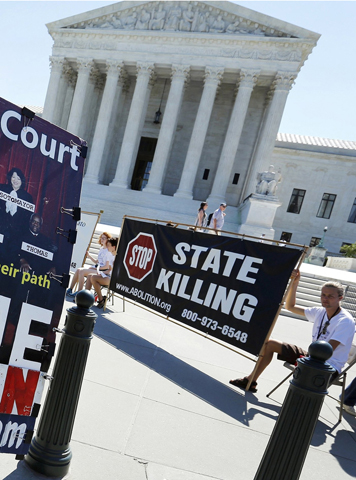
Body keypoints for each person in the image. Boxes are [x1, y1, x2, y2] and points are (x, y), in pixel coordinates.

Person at [229, 269, 355, 392]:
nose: (325, 298)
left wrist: (304, 363)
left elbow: (326, 351)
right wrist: (295, 282)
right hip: (312, 356)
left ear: (340, 298)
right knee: (270, 344)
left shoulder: (345, 321)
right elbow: (290, 307)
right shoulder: (320, 311)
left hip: (327, 365)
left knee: (301, 395)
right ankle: (250, 381)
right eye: (323, 295)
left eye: (330, 296)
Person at [66, 231, 112, 297]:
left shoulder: (108, 251)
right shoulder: (101, 249)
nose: (102, 239)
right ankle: (70, 289)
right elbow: (97, 261)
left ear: (107, 239)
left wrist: (96, 268)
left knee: (82, 271)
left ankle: (79, 293)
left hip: (101, 271)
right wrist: (89, 256)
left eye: (104, 238)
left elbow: (106, 266)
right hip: (97, 267)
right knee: (78, 269)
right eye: (101, 238)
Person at [0, 167, 34, 242]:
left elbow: (27, 219)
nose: (15, 180)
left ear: (22, 180)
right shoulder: (2, 189)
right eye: (13, 177)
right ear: (10, 178)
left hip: (16, 235)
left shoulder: (27, 197)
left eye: (18, 178)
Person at [86, 237, 118, 309]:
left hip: (113, 279)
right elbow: (109, 269)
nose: (107, 247)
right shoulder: (110, 255)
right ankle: (86, 297)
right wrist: (101, 273)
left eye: (109, 245)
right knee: (90, 276)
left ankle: (100, 300)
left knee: (93, 278)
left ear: (114, 247)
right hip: (107, 276)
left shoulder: (117, 257)